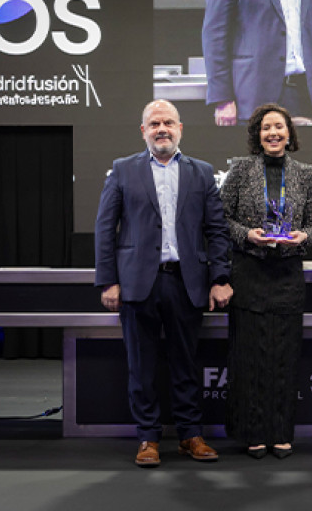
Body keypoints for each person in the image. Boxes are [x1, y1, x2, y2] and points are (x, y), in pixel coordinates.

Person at [94, 99, 233, 468]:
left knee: (186, 364)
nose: (162, 129)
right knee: (141, 367)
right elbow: (105, 230)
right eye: (154, 123)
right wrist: (107, 280)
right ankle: (148, 438)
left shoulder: (202, 173)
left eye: (168, 122)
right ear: (143, 131)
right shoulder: (122, 170)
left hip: (186, 283)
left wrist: (220, 278)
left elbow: (217, 231)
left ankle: (191, 435)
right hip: (138, 284)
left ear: (180, 128)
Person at [219, 103, 312, 459]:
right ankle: (253, 432)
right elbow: (221, 219)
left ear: (289, 133)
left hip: (287, 275)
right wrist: (248, 235)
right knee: (249, 358)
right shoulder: (241, 169)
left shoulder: (305, 173)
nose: (272, 133)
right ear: (257, 135)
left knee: (284, 359)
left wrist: (304, 237)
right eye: (265, 128)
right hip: (249, 274)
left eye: (279, 127)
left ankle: (281, 432)